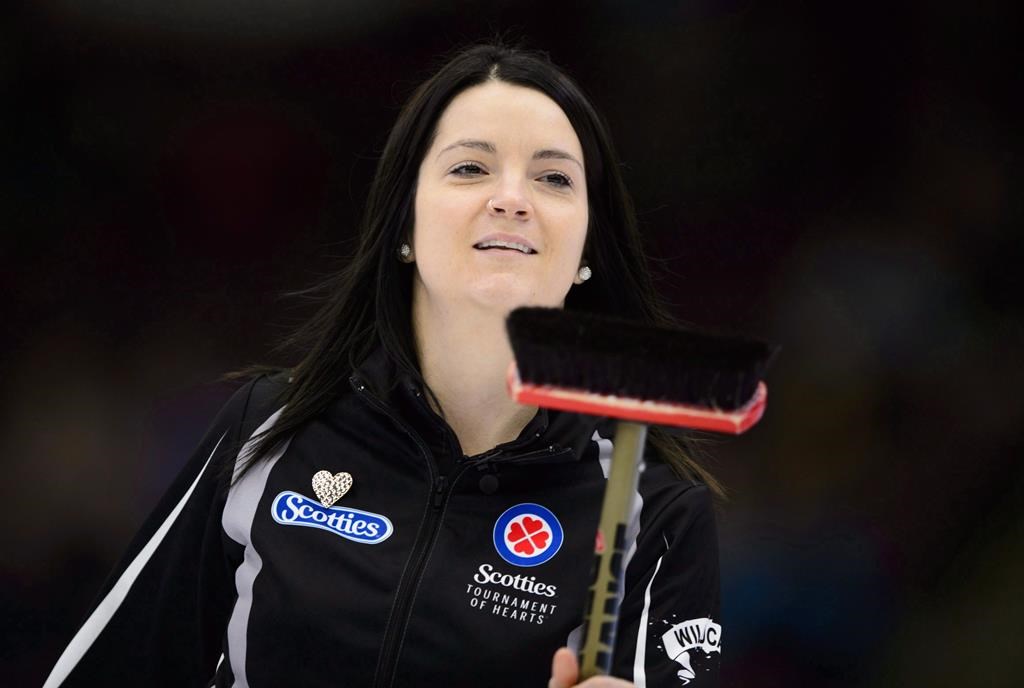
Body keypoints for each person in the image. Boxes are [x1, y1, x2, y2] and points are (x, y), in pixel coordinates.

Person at [43, 43, 723, 687]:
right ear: (404, 226)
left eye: (553, 178)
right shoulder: (270, 433)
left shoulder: (654, 515)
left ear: (587, 251)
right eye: (470, 168)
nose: (512, 198)